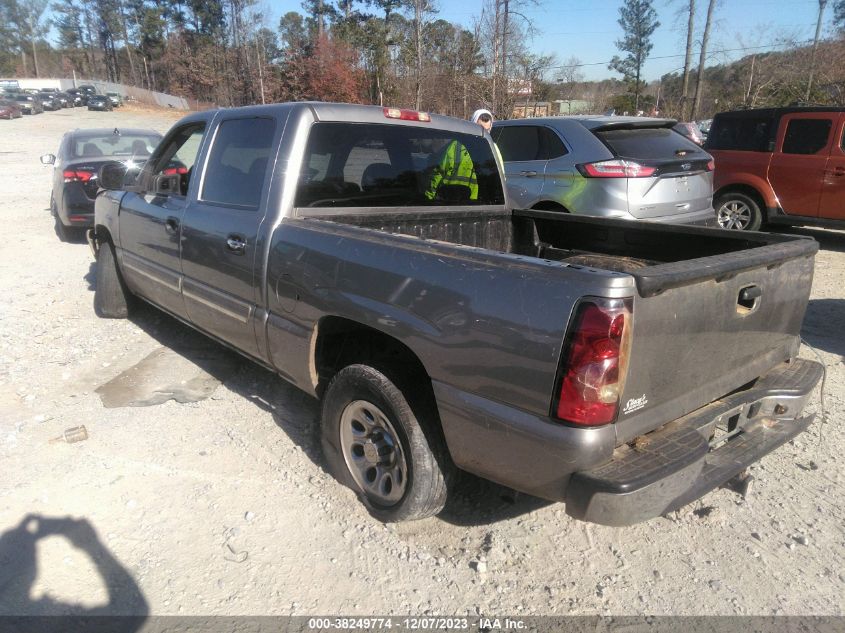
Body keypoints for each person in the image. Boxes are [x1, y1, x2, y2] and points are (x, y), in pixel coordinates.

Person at [425, 108, 496, 201]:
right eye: (480, 128)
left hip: (471, 203)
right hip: (455, 202)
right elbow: (439, 173)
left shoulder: (492, 148)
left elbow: (497, 178)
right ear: (472, 125)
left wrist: (428, 199)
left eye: (487, 130)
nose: (484, 133)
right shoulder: (457, 147)